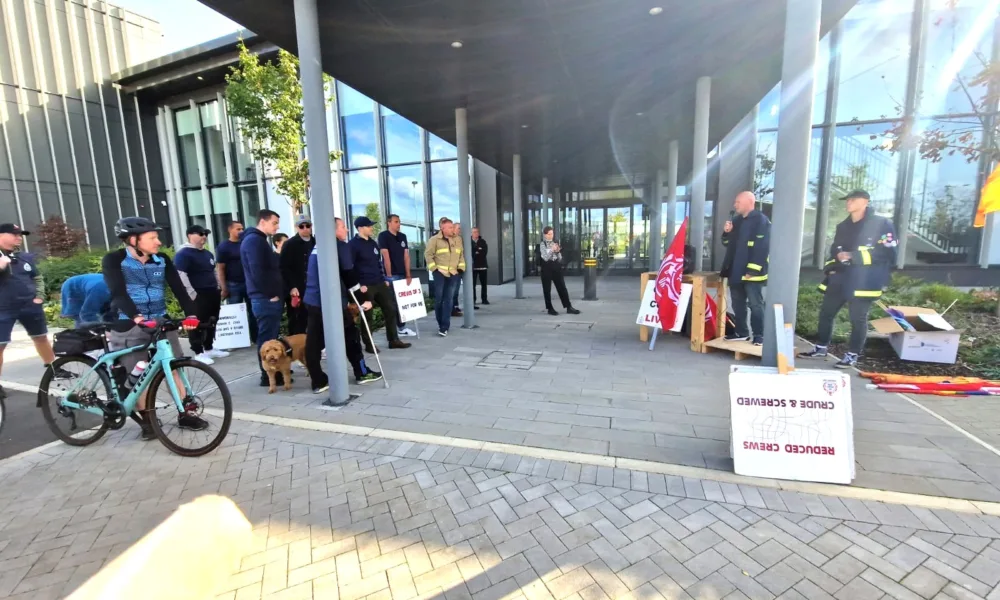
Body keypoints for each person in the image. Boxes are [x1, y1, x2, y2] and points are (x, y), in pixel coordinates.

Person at [102, 217, 205, 438]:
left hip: (158, 319)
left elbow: (179, 289)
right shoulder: (114, 260)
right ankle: (148, 420)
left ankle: (185, 413)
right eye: (152, 237)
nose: (158, 242)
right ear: (132, 240)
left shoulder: (162, 260)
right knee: (139, 374)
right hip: (128, 322)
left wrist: (192, 314)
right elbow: (118, 293)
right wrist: (137, 317)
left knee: (174, 367)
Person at [799, 190, 898, 369]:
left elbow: (888, 253)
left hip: (864, 282)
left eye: (853, 200)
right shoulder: (842, 226)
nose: (848, 203)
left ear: (866, 201)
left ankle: (852, 355)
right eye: (847, 200)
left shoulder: (882, 224)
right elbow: (834, 252)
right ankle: (821, 348)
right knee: (826, 314)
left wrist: (854, 256)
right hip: (840, 278)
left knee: (858, 319)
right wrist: (830, 270)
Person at [304, 218, 383, 392]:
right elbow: (349, 276)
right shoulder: (339, 246)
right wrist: (363, 300)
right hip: (331, 302)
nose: (346, 230)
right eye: (342, 227)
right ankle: (361, 372)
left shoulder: (319, 246)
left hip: (313, 300)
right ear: (333, 230)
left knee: (314, 341)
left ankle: (318, 381)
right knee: (351, 335)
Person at [0, 223, 69, 401]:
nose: (18, 237)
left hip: (29, 306)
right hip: (3, 307)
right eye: (14, 234)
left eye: (20, 234)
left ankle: (53, 367)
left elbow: (37, 277)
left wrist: (39, 297)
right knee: (0, 344)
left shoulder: (24, 257)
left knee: (40, 336)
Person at [348, 216, 411, 351]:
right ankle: (369, 344)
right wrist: (359, 284)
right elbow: (350, 267)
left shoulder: (372, 243)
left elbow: (378, 263)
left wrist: (384, 279)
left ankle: (393, 340)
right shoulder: (352, 245)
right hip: (365, 286)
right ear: (360, 228)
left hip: (379, 282)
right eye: (369, 226)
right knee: (368, 316)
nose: (371, 228)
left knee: (390, 309)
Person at [241, 209, 286, 387]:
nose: (277, 226)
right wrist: (271, 294)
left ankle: (271, 374)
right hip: (265, 298)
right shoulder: (254, 241)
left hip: (264, 297)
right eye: (274, 223)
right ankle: (268, 376)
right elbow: (257, 271)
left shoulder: (257, 240)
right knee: (267, 339)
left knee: (269, 336)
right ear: (263, 221)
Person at [720, 191, 770, 346]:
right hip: (736, 271)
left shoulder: (761, 221)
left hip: (752, 274)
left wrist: (753, 270)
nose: (735, 205)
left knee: (755, 305)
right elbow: (728, 245)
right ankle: (741, 333)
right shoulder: (736, 221)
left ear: (749, 201)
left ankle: (759, 335)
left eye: (738, 202)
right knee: (738, 303)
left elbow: (763, 247)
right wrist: (726, 233)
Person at [174, 224, 228, 365]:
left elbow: (213, 271)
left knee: (212, 320)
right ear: (190, 235)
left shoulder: (207, 254)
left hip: (212, 292)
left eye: (205, 234)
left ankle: (209, 347)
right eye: (200, 233)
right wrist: (191, 293)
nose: (204, 236)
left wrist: (218, 286)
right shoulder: (183, 254)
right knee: (195, 322)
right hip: (197, 294)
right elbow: (181, 275)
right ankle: (198, 351)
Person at [216, 221, 257, 343]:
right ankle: (238, 340)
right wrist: (223, 287)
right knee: (235, 312)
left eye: (242, 229)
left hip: (249, 283)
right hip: (233, 284)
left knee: (253, 311)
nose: (241, 231)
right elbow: (220, 268)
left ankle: (255, 337)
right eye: (238, 229)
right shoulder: (224, 247)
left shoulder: (246, 243)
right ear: (230, 230)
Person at [377, 214, 416, 337]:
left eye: (399, 222)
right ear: (389, 223)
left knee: (403, 302)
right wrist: (388, 275)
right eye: (396, 221)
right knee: (392, 303)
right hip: (392, 275)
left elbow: (406, 256)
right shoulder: (383, 236)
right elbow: (385, 256)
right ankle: (393, 330)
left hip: (402, 274)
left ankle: (402, 327)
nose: (398, 224)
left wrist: (408, 274)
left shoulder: (402, 236)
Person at [424, 218, 463, 336]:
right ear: (443, 228)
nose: (453, 229)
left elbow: (461, 254)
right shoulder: (434, 240)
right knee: (439, 299)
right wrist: (435, 269)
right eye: (450, 227)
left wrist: (460, 268)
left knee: (449, 300)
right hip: (440, 274)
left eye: (452, 227)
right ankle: (440, 323)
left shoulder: (458, 239)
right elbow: (428, 255)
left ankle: (444, 326)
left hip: (453, 274)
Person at [279, 215, 314, 335]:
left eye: (307, 225)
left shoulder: (316, 242)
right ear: (297, 227)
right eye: (301, 226)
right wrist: (292, 286)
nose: (305, 228)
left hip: (313, 287)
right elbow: (283, 267)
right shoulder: (290, 244)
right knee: (297, 320)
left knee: (314, 319)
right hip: (298, 288)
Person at [538, 226, 580, 316]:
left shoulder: (555, 242)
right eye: (549, 234)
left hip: (556, 267)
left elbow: (559, 258)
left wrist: (557, 251)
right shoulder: (542, 244)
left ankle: (568, 307)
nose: (551, 236)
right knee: (547, 289)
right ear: (545, 235)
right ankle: (550, 308)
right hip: (546, 268)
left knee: (562, 287)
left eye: (552, 233)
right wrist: (551, 250)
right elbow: (545, 258)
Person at [471, 227, 489, 306]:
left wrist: (476, 251)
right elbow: (470, 253)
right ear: (471, 233)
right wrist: (477, 251)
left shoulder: (483, 241)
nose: (476, 233)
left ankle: (484, 299)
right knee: (472, 285)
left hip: (482, 266)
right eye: (474, 232)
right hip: (473, 267)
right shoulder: (469, 242)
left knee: (484, 284)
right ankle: (473, 300)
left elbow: (484, 253)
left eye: (477, 232)